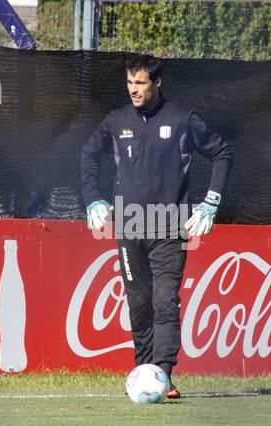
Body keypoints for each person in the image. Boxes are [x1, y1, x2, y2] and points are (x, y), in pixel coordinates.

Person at [81, 54, 232, 398]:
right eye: (130, 83)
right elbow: (88, 154)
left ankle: (162, 376)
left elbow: (222, 152)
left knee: (165, 301)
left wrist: (211, 202)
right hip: (130, 227)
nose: (134, 90)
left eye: (141, 83)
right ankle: (142, 373)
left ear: (157, 83)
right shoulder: (116, 120)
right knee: (139, 305)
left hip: (170, 227)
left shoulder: (182, 120)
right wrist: (93, 197)